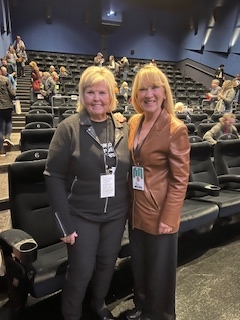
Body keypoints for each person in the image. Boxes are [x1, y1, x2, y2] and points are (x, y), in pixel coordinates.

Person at [44, 66, 130, 320]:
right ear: (82, 95)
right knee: (81, 270)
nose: (96, 98)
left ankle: (98, 304)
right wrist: (63, 225)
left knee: (106, 265)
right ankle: (71, 315)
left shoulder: (121, 126)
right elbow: (53, 176)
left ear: (111, 96)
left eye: (102, 92)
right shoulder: (69, 128)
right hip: (81, 214)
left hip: (116, 214)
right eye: (90, 92)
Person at [126, 64, 190, 320]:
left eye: (154, 88)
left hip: (160, 212)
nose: (149, 94)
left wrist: (169, 217)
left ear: (164, 92)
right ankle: (142, 307)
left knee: (160, 271)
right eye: (143, 89)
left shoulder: (176, 129)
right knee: (140, 264)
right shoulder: (133, 122)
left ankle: (161, 315)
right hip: (136, 209)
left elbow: (180, 179)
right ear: (136, 95)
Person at [0, 74, 16, 155]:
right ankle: (7, 137)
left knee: (0, 128)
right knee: (8, 121)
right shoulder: (5, 79)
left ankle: (1, 150)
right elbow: (12, 93)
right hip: (6, 105)